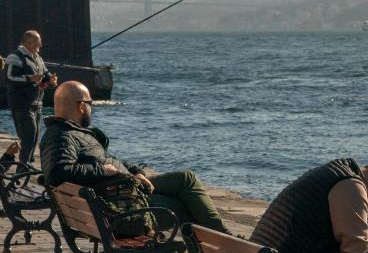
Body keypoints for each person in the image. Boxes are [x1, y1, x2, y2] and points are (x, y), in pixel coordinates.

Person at [39, 81, 229, 243]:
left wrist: (134, 170)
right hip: (121, 207)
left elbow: (108, 160)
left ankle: (222, 242)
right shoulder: (61, 136)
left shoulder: (72, 132)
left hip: (124, 192)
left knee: (186, 178)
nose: (92, 108)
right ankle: (224, 244)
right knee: (189, 208)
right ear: (81, 106)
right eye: (90, 104)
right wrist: (103, 170)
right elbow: (57, 173)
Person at [5, 30, 54, 168]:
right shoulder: (15, 57)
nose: (41, 44)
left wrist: (50, 79)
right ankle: (23, 167)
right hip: (21, 103)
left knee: (35, 136)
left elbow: (45, 73)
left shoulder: (38, 58)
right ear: (28, 42)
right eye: (38, 41)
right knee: (29, 136)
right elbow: (9, 78)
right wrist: (29, 78)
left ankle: (28, 164)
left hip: (37, 103)